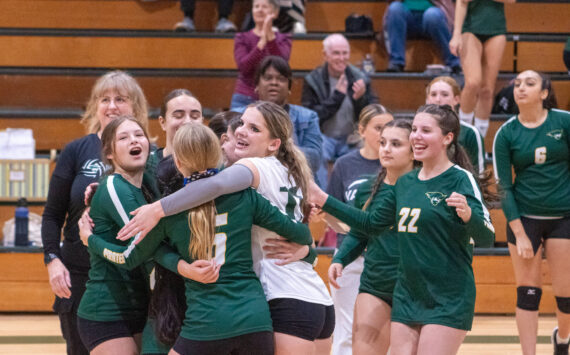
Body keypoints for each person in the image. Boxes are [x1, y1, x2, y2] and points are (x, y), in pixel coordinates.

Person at [115, 102, 335, 355]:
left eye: (253, 128)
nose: (240, 131)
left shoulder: (252, 169)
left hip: (280, 297)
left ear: (274, 143)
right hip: (314, 296)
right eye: (241, 123)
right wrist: (307, 250)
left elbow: (215, 185)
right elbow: (304, 232)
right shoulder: (289, 169)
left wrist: (158, 209)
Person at [310, 104, 495, 354]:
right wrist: (327, 208)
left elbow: (486, 238)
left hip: (446, 296)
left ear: (447, 138)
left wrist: (469, 215)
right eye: (415, 130)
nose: (417, 136)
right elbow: (370, 224)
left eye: (425, 130)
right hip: (406, 294)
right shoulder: (405, 183)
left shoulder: (460, 179)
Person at [40, 70, 149, 355]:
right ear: (95, 107)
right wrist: (52, 259)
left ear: (135, 107)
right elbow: (52, 215)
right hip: (80, 274)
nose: (111, 106)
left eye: (120, 99)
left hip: (131, 275)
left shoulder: (146, 152)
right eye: (104, 99)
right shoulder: (77, 150)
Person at [492, 70, 570, 355]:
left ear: (544, 93)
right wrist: (520, 234)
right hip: (524, 219)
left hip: (564, 218)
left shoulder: (564, 122)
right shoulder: (507, 133)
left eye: (530, 83)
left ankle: (562, 338)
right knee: (528, 292)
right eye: (518, 83)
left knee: (566, 296)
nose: (521, 87)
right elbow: (504, 187)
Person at [76, 116, 168, 354]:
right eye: (123, 138)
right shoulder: (114, 187)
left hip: (142, 306)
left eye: (139, 135)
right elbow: (142, 248)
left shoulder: (147, 182)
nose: (133, 141)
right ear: (109, 153)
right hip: (105, 310)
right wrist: (91, 241)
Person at [329, 118, 417, 355]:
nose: (386, 149)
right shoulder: (368, 188)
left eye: (396, 144)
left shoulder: (425, 189)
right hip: (376, 283)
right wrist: (341, 259)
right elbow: (360, 232)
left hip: (415, 288)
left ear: (413, 153)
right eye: (383, 142)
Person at [324, 103, 393, 355]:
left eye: (389, 127)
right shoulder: (344, 164)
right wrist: (355, 228)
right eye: (378, 128)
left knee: (384, 334)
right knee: (346, 330)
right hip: (350, 257)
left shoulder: (399, 165)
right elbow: (330, 212)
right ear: (362, 130)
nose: (384, 134)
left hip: (386, 257)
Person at [301, 33, 379, 189]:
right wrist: (336, 98)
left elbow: (373, 114)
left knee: (368, 148)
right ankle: (321, 198)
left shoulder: (360, 78)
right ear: (325, 55)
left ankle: (358, 197)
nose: (341, 58)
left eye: (345, 53)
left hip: (352, 137)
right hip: (324, 137)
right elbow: (309, 116)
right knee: (316, 151)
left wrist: (361, 99)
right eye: (336, 53)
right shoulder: (312, 80)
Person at [233, 55, 322, 175]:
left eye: (281, 79)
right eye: (268, 78)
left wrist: (266, 147)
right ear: (257, 85)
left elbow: (315, 160)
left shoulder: (308, 117)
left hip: (295, 182)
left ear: (289, 87)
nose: (274, 83)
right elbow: (230, 151)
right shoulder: (238, 115)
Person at [449, 0, 515, 138]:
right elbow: (462, 2)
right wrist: (456, 34)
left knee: (487, 90)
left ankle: (480, 139)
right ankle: (462, 135)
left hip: (496, 30)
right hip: (470, 29)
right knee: (473, 82)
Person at [231, 0, 292, 110]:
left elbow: (280, 66)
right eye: (256, 6)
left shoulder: (284, 38)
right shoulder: (242, 37)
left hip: (274, 100)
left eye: (264, 6)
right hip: (244, 98)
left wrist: (269, 37)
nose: (259, 9)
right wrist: (262, 42)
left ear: (275, 12)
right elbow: (244, 68)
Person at [425, 76, 485, 174]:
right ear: (428, 99)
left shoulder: (470, 133)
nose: (438, 99)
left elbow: (480, 174)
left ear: (456, 99)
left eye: (445, 94)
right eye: (433, 94)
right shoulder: (417, 132)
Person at [383, 0, 460, 73]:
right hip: (406, 18)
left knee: (432, 15)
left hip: (432, 17)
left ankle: (454, 63)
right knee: (395, 9)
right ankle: (397, 62)